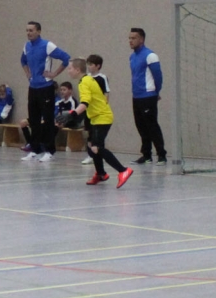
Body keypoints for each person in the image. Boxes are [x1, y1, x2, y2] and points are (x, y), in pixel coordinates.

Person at [62, 58, 133, 189]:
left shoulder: (84, 82)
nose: (68, 71)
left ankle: (123, 170)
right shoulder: (87, 79)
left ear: (77, 70)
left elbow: (85, 103)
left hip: (102, 117)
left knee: (96, 147)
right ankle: (101, 174)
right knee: (91, 145)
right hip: (95, 118)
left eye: (70, 68)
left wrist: (72, 114)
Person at [21, 21, 71, 162]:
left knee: (48, 120)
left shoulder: (47, 45)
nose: (28, 33)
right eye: (27, 30)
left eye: (31, 30)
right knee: (34, 120)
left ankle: (49, 150)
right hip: (33, 88)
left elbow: (66, 58)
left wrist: (54, 74)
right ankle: (35, 149)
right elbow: (23, 61)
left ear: (38, 31)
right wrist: (28, 74)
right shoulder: (26, 46)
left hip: (46, 88)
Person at [129, 28, 167, 165]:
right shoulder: (132, 57)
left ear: (141, 39)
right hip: (136, 96)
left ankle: (161, 155)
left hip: (148, 96)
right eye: (129, 38)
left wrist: (156, 92)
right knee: (141, 126)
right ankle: (146, 155)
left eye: (134, 38)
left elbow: (158, 76)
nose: (130, 41)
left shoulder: (150, 56)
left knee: (152, 126)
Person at [82, 55, 110, 165]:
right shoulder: (86, 77)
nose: (89, 66)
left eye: (91, 64)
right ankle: (90, 155)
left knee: (98, 136)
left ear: (98, 66)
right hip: (89, 111)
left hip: (99, 112)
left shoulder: (102, 78)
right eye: (88, 64)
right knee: (90, 134)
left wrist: (104, 105)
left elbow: (106, 92)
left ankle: (99, 155)